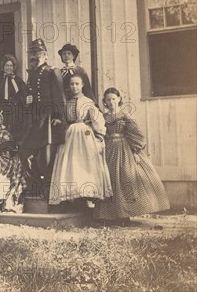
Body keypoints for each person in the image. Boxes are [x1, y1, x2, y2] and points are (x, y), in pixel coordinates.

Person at [94, 88, 170, 224]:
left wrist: (135, 151)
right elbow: (98, 132)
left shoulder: (125, 116)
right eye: (108, 99)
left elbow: (137, 134)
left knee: (125, 179)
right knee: (110, 180)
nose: (111, 102)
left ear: (118, 99)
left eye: (113, 99)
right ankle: (111, 215)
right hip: (108, 149)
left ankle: (125, 215)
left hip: (124, 150)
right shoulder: (103, 117)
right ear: (104, 102)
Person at [49, 75, 112, 206]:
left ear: (82, 85)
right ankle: (74, 197)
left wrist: (99, 134)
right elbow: (66, 119)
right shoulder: (67, 102)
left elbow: (96, 119)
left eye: (77, 84)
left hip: (85, 132)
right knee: (70, 163)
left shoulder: (88, 102)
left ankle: (87, 195)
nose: (74, 87)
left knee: (85, 162)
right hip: (70, 134)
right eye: (72, 84)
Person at [19, 39, 66, 199]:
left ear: (45, 56)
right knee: (24, 151)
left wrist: (58, 117)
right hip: (34, 120)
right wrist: (27, 102)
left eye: (38, 54)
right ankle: (35, 186)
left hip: (48, 120)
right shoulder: (31, 75)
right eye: (33, 54)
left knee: (47, 158)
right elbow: (27, 96)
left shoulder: (52, 71)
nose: (35, 57)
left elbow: (60, 96)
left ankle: (47, 191)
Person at [0, 54, 28, 143]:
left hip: (17, 112)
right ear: (3, 67)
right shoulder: (0, 82)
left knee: (18, 134)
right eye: (7, 65)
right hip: (4, 112)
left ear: (14, 67)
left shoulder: (18, 81)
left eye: (11, 66)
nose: (9, 68)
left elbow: (25, 95)